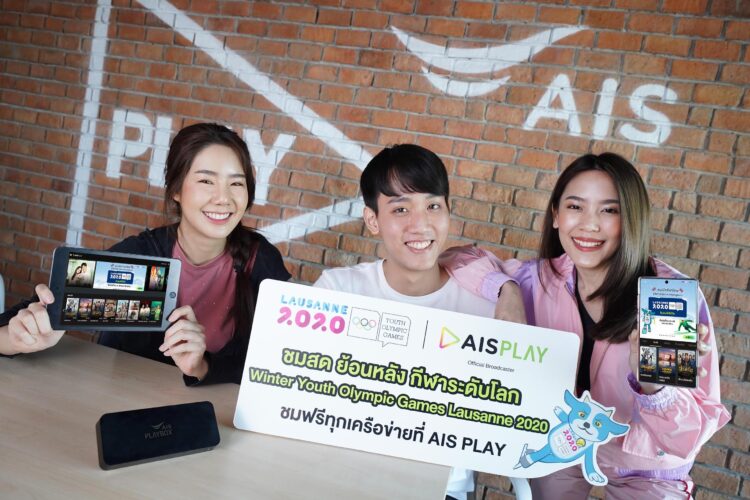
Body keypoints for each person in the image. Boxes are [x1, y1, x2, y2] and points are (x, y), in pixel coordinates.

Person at [441, 153, 730, 499]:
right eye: (575, 207)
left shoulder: (666, 298)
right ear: (555, 215)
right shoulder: (541, 278)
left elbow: (683, 439)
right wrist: (507, 289)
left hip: (647, 465)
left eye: (609, 210)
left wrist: (654, 386)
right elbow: (456, 258)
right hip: (565, 447)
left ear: (631, 220)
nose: (589, 225)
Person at [0, 123, 290, 385]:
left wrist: (201, 366)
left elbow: (281, 363)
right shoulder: (141, 254)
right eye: (206, 181)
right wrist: (19, 338)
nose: (223, 198)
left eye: (236, 183)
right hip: (124, 405)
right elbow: (18, 324)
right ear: (176, 190)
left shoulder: (260, 261)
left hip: (216, 416)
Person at [314, 144, 521, 500]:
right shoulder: (337, 291)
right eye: (400, 209)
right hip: (342, 480)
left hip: (444, 490)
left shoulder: (489, 309)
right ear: (372, 220)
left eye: (433, 206)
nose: (421, 224)